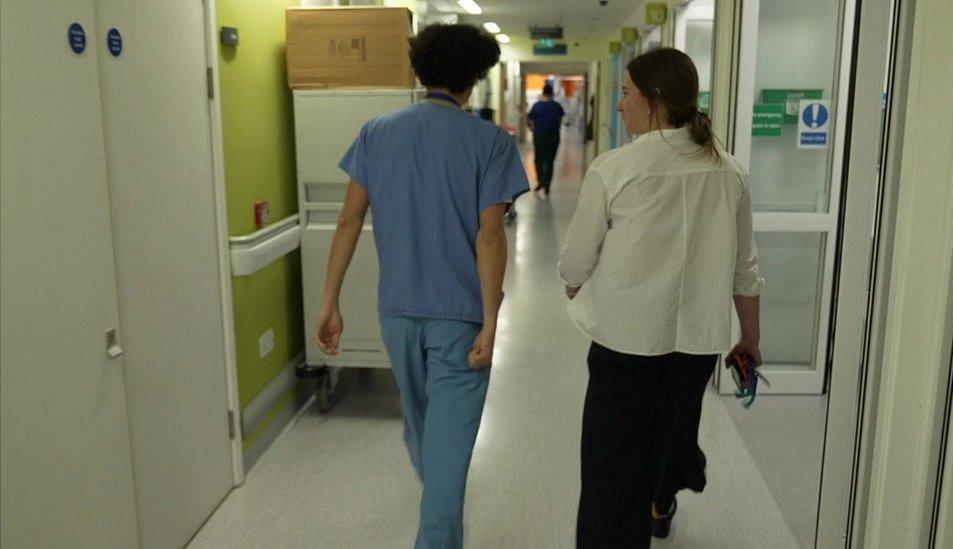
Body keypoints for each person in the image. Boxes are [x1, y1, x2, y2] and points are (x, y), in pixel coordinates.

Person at [314, 24, 529, 549]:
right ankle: (439, 522)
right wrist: (492, 318)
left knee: (423, 427)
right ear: (475, 79)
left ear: (420, 70)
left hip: (399, 313)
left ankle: (438, 514)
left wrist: (329, 303)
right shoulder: (488, 143)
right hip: (459, 315)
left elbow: (348, 222)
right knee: (444, 442)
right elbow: (489, 235)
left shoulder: (376, 132)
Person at [558, 48, 764, 548]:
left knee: (611, 466)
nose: (620, 104)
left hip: (626, 343)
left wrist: (577, 283)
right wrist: (750, 340)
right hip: (696, 346)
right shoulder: (729, 169)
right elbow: (745, 270)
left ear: (653, 100)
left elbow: (574, 264)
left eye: (626, 93)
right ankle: (663, 497)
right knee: (670, 431)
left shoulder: (616, 168)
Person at [527, 84, 566, 196]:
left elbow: (530, 119)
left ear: (543, 93)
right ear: (552, 93)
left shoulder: (537, 106)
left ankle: (540, 181)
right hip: (553, 135)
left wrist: (532, 129)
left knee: (538, 159)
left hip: (539, 135)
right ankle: (547, 185)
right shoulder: (556, 106)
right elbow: (560, 119)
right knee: (549, 161)